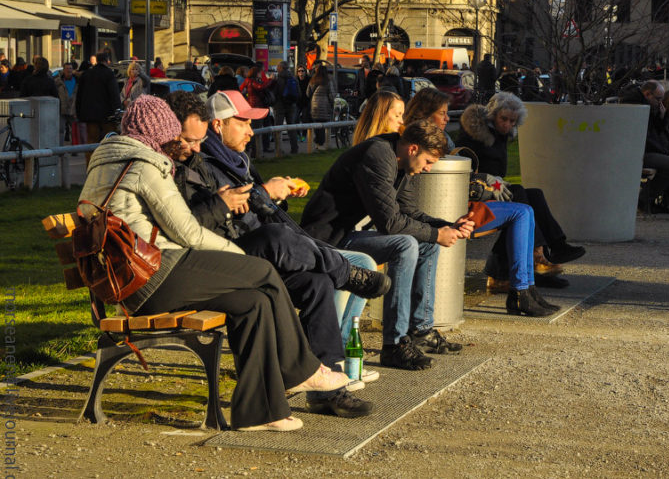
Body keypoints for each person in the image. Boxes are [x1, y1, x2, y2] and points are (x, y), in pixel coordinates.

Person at [78, 94, 350, 431]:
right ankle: (302, 370)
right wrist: (239, 260)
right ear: (155, 135)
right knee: (262, 272)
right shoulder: (144, 166)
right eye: (172, 138)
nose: (182, 147)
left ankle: (259, 412)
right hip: (155, 277)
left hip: (135, 279)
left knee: (254, 302)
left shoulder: (108, 161)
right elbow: (189, 233)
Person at [163, 91, 384, 415]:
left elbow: (233, 212)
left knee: (315, 284)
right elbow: (185, 226)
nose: (251, 131)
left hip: (235, 249)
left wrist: (266, 198)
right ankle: (346, 273)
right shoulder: (187, 164)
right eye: (244, 122)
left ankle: (330, 388)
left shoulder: (215, 161)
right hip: (212, 261)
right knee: (276, 237)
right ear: (218, 125)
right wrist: (246, 199)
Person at [301, 122, 475, 369]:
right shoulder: (378, 155)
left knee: (427, 245)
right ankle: (394, 344)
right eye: (428, 161)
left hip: (353, 234)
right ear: (413, 148)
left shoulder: (402, 162)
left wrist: (447, 226)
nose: (428, 169)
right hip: (328, 238)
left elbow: (409, 212)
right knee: (406, 245)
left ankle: (420, 330)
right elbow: (390, 223)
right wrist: (437, 233)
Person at [400, 89, 557, 316]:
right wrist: (486, 183)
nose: (447, 118)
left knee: (527, 206)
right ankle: (521, 290)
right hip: (449, 207)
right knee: (523, 211)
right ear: (425, 114)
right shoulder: (421, 140)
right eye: (442, 113)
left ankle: (526, 289)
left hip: (456, 200)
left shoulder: (439, 137)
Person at [456, 91, 586, 290]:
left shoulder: (502, 135)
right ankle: (537, 254)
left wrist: (498, 184)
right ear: (493, 115)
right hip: (475, 192)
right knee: (520, 196)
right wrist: (495, 184)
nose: (507, 124)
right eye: (504, 119)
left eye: (512, 121)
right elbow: (468, 170)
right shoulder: (474, 135)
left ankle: (556, 247)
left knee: (534, 195)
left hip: (494, 190)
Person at [76, 52, 121, 167]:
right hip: (107, 115)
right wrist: (117, 111)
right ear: (107, 60)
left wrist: (79, 113)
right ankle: (108, 166)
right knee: (109, 141)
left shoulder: (87, 74)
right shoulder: (109, 74)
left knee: (91, 142)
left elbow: (79, 95)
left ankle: (90, 166)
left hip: (89, 115)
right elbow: (114, 94)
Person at [239, 65, 274, 154]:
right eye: (259, 73)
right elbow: (260, 87)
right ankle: (255, 151)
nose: (261, 74)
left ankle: (256, 149)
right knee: (256, 129)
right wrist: (270, 80)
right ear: (255, 73)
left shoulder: (249, 81)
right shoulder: (251, 81)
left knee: (258, 128)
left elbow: (241, 89)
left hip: (257, 106)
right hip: (257, 107)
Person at [270, 61, 301, 155]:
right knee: (291, 127)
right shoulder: (293, 78)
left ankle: (279, 149)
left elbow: (273, 94)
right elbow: (299, 93)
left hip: (279, 106)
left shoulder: (277, 79)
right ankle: (294, 148)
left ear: (281, 68)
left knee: (278, 128)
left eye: (278, 67)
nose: (277, 68)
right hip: (291, 106)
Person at [308, 63, 336, 151]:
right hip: (325, 105)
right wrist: (333, 103)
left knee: (317, 125)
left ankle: (317, 143)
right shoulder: (327, 81)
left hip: (314, 105)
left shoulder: (312, 80)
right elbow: (331, 95)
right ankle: (321, 144)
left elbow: (308, 93)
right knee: (323, 126)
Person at [55, 62, 80, 145]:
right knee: (60, 130)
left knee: (75, 131)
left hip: (73, 110)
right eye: (67, 68)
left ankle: (75, 150)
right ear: (63, 70)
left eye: (70, 68)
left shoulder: (77, 81)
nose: (69, 70)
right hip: (62, 109)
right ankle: (60, 150)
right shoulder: (58, 82)